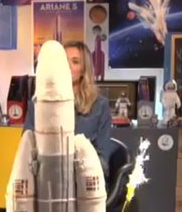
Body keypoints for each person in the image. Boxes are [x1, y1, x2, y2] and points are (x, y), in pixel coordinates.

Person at [23, 40, 116, 177]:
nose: (67, 66)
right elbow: (27, 151)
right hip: (46, 177)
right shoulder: (38, 104)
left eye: (75, 62)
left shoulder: (99, 106)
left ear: (84, 70)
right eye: (64, 61)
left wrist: (75, 170)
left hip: (85, 179)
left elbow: (103, 161)